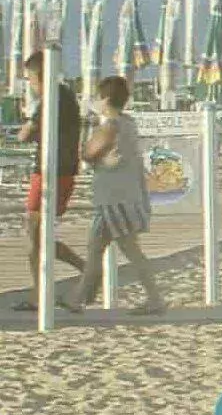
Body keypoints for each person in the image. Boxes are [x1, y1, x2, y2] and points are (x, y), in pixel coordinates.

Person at [70, 75, 163, 313]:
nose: (95, 102)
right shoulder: (128, 123)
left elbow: (88, 154)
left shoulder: (111, 126)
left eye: (98, 97)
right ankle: (79, 298)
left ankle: (154, 299)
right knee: (99, 248)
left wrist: (87, 139)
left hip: (114, 200)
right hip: (121, 197)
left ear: (106, 98)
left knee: (125, 249)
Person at [15, 49, 85, 296]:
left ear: (39, 76)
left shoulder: (51, 98)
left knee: (35, 234)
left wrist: (27, 129)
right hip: (63, 169)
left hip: (49, 170)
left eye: (30, 79)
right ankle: (83, 270)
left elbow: (25, 134)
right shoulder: (65, 96)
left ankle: (40, 295)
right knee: (39, 235)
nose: (30, 85)